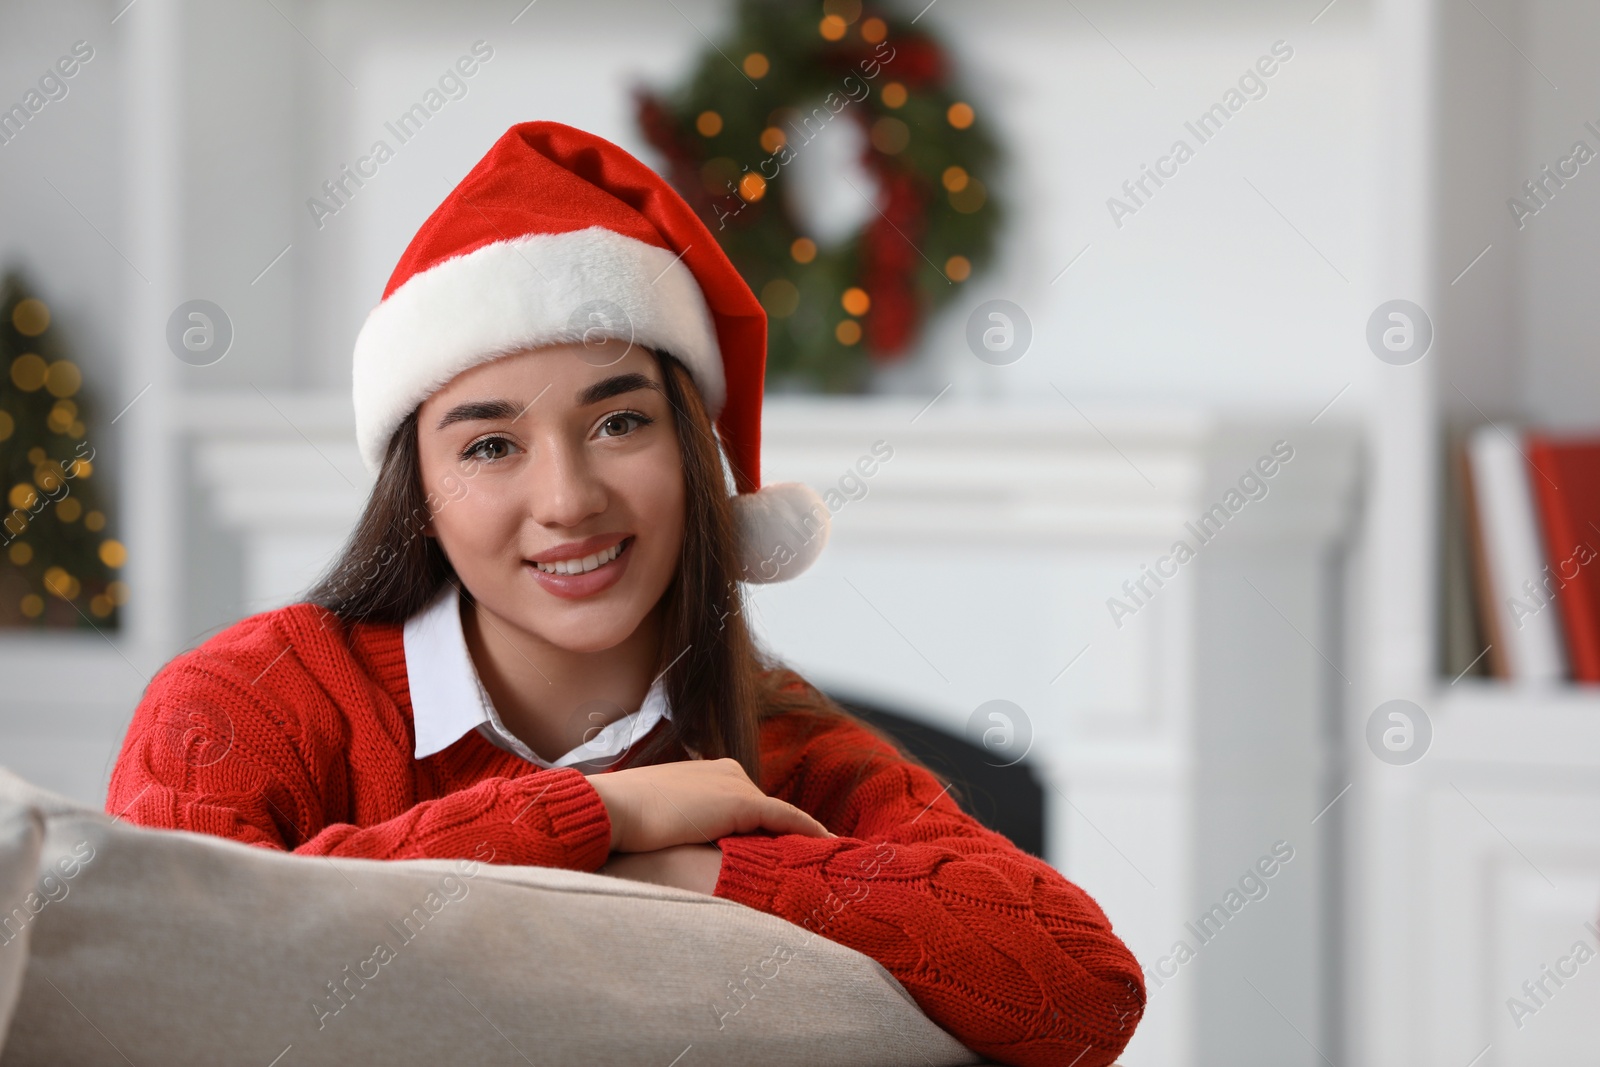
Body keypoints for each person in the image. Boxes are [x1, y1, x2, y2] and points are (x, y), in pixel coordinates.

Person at [105, 121, 1144, 1067]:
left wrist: (693, 875)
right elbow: (174, 974)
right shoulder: (243, 701)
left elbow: (1084, 988)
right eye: (490, 444)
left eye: (619, 422)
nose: (567, 498)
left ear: (693, 453)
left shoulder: (785, 748)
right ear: (416, 493)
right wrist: (596, 812)